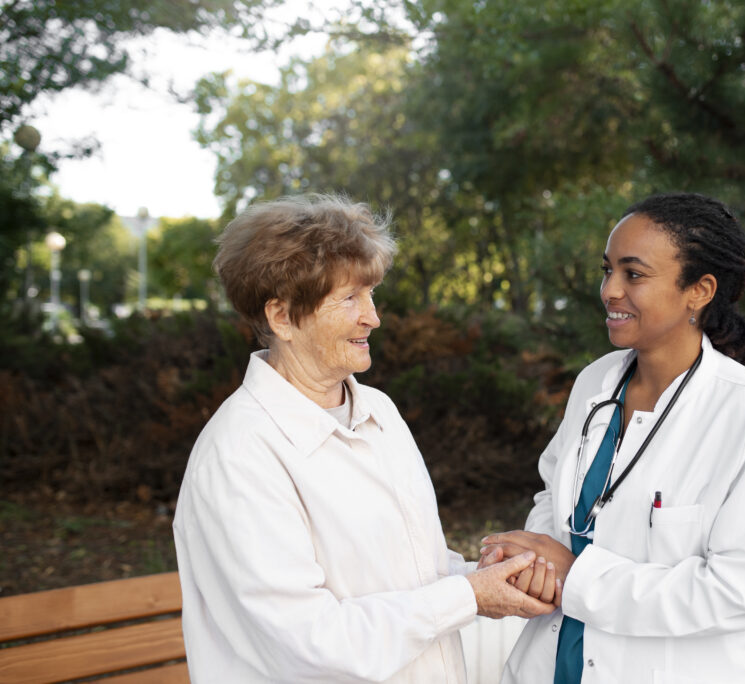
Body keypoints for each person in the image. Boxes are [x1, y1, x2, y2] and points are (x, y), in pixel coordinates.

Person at [173, 194, 556, 683]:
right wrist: (468, 596)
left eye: (371, 294)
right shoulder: (238, 456)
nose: (373, 317)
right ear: (282, 317)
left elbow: (413, 576)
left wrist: (485, 578)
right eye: (350, 298)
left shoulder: (379, 411)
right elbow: (310, 645)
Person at [481, 192, 745, 683]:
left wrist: (576, 577)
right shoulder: (596, 382)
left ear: (699, 290)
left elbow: (740, 594)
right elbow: (553, 493)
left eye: (633, 274)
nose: (610, 290)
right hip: (550, 664)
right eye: (607, 270)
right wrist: (536, 561)